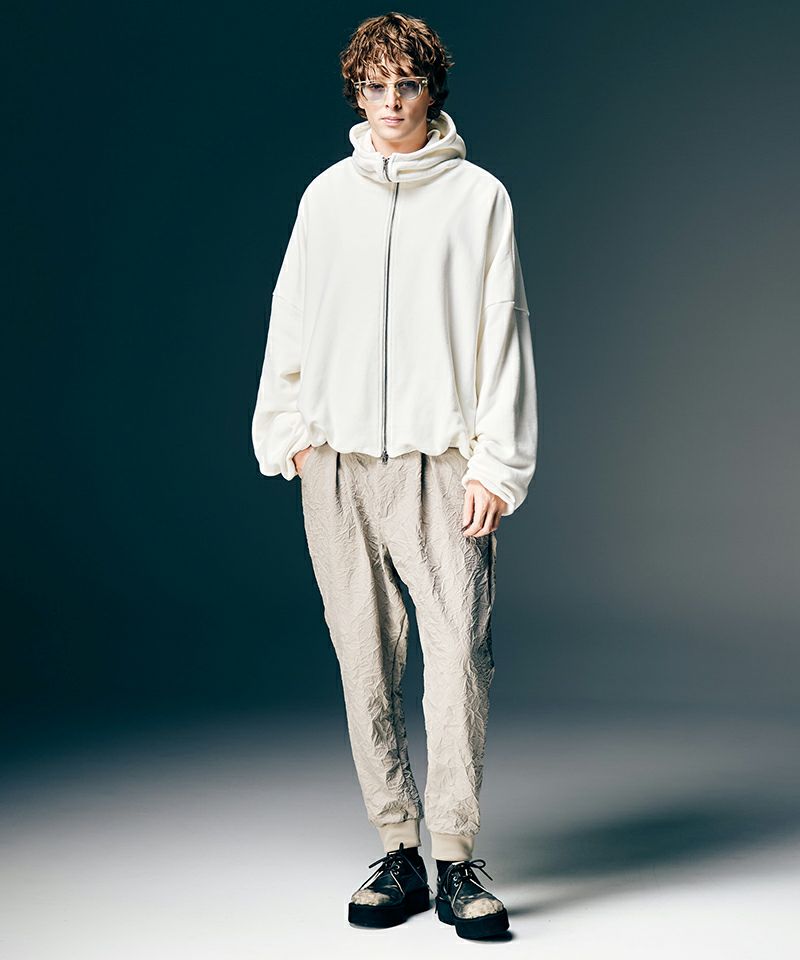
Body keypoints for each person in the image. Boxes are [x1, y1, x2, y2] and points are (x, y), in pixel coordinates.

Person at [251, 12, 537, 941]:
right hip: (337, 464)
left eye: (404, 84)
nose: (389, 102)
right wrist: (291, 435)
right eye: (373, 87)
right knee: (363, 658)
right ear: (357, 93)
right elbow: (291, 316)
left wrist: (496, 462)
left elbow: (503, 332)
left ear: (431, 90)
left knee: (458, 657)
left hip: (439, 463)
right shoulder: (325, 198)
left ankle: (456, 857)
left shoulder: (479, 198)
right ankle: (398, 849)